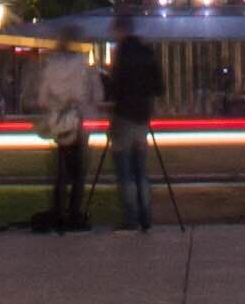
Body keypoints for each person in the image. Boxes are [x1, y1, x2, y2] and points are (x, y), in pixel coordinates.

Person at [24, 39, 101, 232]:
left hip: (59, 124)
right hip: (77, 123)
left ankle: (58, 213)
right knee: (78, 173)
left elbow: (42, 98)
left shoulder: (51, 68)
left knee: (61, 173)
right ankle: (74, 215)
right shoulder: (81, 67)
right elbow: (95, 95)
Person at [104, 15, 163, 233]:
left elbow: (116, 87)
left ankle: (131, 218)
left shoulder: (122, 54)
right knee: (141, 170)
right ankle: (146, 217)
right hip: (142, 116)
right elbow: (158, 86)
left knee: (125, 170)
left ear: (120, 31)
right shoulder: (147, 52)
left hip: (124, 115)